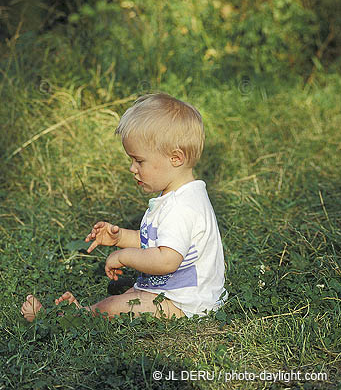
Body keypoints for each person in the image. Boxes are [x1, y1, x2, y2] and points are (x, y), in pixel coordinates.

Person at [22, 93, 226, 321]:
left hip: (188, 302)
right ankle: (80, 312)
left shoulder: (181, 207)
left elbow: (166, 260)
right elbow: (156, 241)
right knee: (125, 298)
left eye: (139, 161)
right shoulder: (176, 196)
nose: (132, 168)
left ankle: (60, 320)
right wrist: (119, 238)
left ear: (175, 158)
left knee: (114, 307)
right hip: (173, 293)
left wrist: (123, 256)